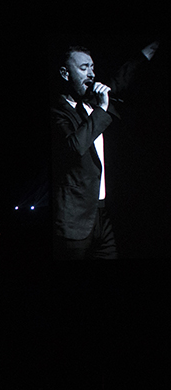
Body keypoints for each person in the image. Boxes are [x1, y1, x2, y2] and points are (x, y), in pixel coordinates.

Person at [51, 40, 159, 259]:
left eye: (92, 67)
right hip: (74, 222)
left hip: (103, 216)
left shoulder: (91, 100)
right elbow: (75, 146)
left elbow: (121, 77)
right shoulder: (57, 112)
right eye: (83, 68)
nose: (91, 73)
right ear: (65, 73)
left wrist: (148, 52)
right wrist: (101, 108)